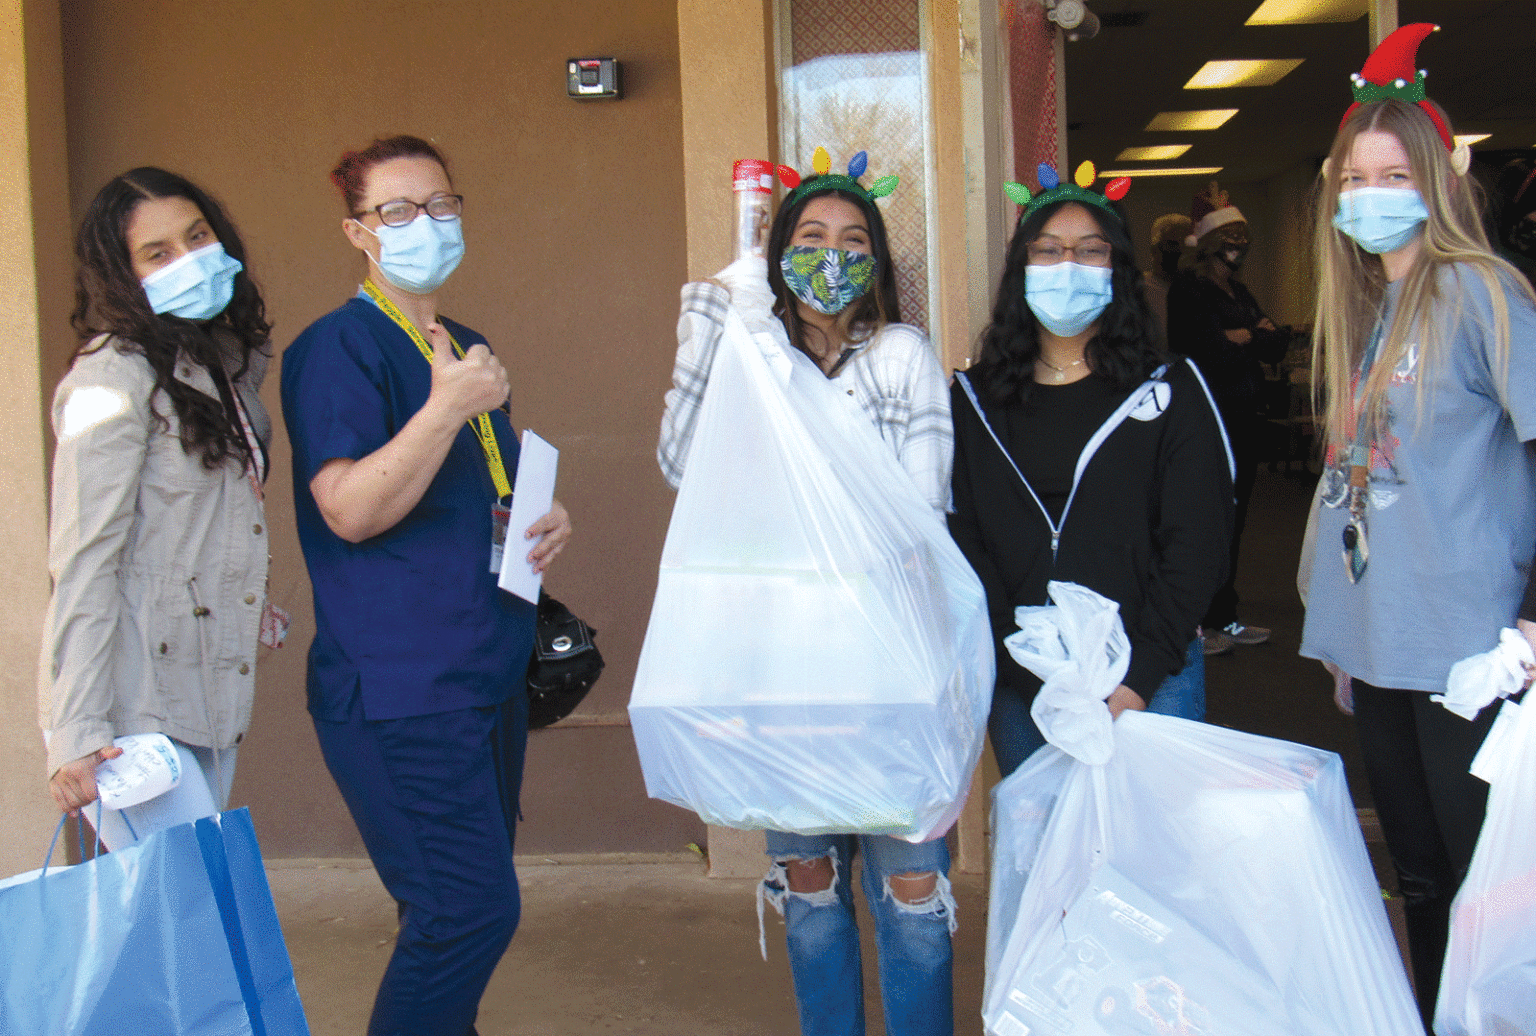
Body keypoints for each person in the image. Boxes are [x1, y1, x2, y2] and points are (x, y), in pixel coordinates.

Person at [658, 158, 957, 1036]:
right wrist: (720, 313)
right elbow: (683, 464)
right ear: (778, 251)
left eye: (854, 241)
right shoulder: (749, 350)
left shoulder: (902, 357)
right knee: (812, 891)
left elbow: (919, 515)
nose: (833, 256)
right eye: (811, 239)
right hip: (780, 672)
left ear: (878, 261)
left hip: (888, 668)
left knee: (912, 895)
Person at [281, 135, 571, 1036]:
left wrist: (543, 519)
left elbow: (481, 488)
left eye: (440, 203)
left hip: (484, 672)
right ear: (357, 233)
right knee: (469, 912)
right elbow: (349, 509)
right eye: (396, 210)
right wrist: (448, 405)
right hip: (403, 686)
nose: (425, 223)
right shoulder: (337, 349)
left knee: (444, 913)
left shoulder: (468, 344)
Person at [1298, 24, 1536, 1027]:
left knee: (1492, 896)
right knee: (1424, 881)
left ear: (1435, 179)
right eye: (1356, 177)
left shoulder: (1484, 293)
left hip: (1465, 652)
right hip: (1381, 653)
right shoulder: (1369, 311)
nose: (1372, 194)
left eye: (1394, 173)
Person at [948, 170, 1234, 779]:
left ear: (1118, 270)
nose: (1068, 265)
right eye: (1048, 250)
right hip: (1026, 684)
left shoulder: (1169, 391)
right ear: (1021, 270)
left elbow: (1198, 540)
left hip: (1152, 679)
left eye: (1090, 250)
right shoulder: (973, 401)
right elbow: (964, 535)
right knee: (1049, 861)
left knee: (1153, 864)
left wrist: (1137, 680)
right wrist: (1024, 664)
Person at [39, 168, 274, 850]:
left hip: (202, 686)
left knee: (182, 919)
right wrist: (79, 731)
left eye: (196, 237)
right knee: (198, 914)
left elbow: (198, 526)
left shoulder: (221, 365)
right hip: (129, 711)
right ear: (123, 274)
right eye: (158, 252)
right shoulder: (110, 378)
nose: (189, 260)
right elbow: (83, 563)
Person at [1166, 182, 1288, 656]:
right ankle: (1199, 619)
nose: (1238, 249)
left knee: (1236, 519)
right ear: (1214, 244)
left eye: (1243, 240)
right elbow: (1200, 348)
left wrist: (1244, 335)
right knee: (1208, 517)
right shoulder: (1190, 289)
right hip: (1207, 418)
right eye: (1230, 240)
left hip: (1244, 415)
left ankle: (1225, 616)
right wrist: (1238, 336)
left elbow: (1273, 343)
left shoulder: (1238, 290)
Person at [1143, 212, 1190, 346]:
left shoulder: (1198, 294)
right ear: (1155, 248)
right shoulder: (1136, 290)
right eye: (1172, 244)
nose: (1179, 251)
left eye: (1184, 245)